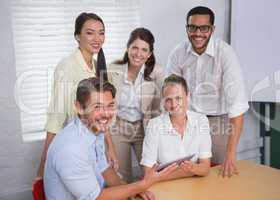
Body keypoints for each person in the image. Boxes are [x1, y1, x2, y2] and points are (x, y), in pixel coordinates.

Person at [44, 77, 177, 200]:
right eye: (97, 107)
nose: (106, 114)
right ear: (79, 107)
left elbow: (105, 170)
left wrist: (132, 190)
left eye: (110, 105)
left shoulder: (95, 130)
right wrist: (142, 185)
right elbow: (96, 197)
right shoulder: (71, 149)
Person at [165, 6, 249, 177]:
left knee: (220, 172)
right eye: (193, 27)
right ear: (187, 28)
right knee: (186, 172)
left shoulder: (225, 54)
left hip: (219, 121)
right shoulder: (177, 53)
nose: (198, 33)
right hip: (188, 120)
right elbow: (171, 94)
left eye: (204, 28)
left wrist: (231, 154)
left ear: (212, 29)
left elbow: (237, 105)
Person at [37, 12, 118, 179]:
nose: (97, 38)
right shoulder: (67, 67)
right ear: (77, 36)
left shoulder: (98, 66)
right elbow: (56, 117)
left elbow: (103, 114)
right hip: (76, 145)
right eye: (90, 32)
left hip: (95, 143)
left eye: (101, 32)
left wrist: (110, 147)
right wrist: (43, 164)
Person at [107, 27, 164, 182]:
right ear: (128, 48)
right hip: (118, 128)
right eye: (135, 48)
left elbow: (159, 108)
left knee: (151, 173)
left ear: (150, 54)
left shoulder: (157, 72)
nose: (138, 54)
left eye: (144, 50)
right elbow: (105, 104)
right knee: (121, 176)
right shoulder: (113, 69)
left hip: (143, 128)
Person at [141, 74, 211, 181]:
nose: (173, 105)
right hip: (165, 188)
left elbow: (205, 168)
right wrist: (192, 170)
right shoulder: (154, 125)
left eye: (178, 98)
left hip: (195, 185)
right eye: (168, 100)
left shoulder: (201, 121)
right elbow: (148, 173)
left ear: (188, 96)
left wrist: (161, 175)